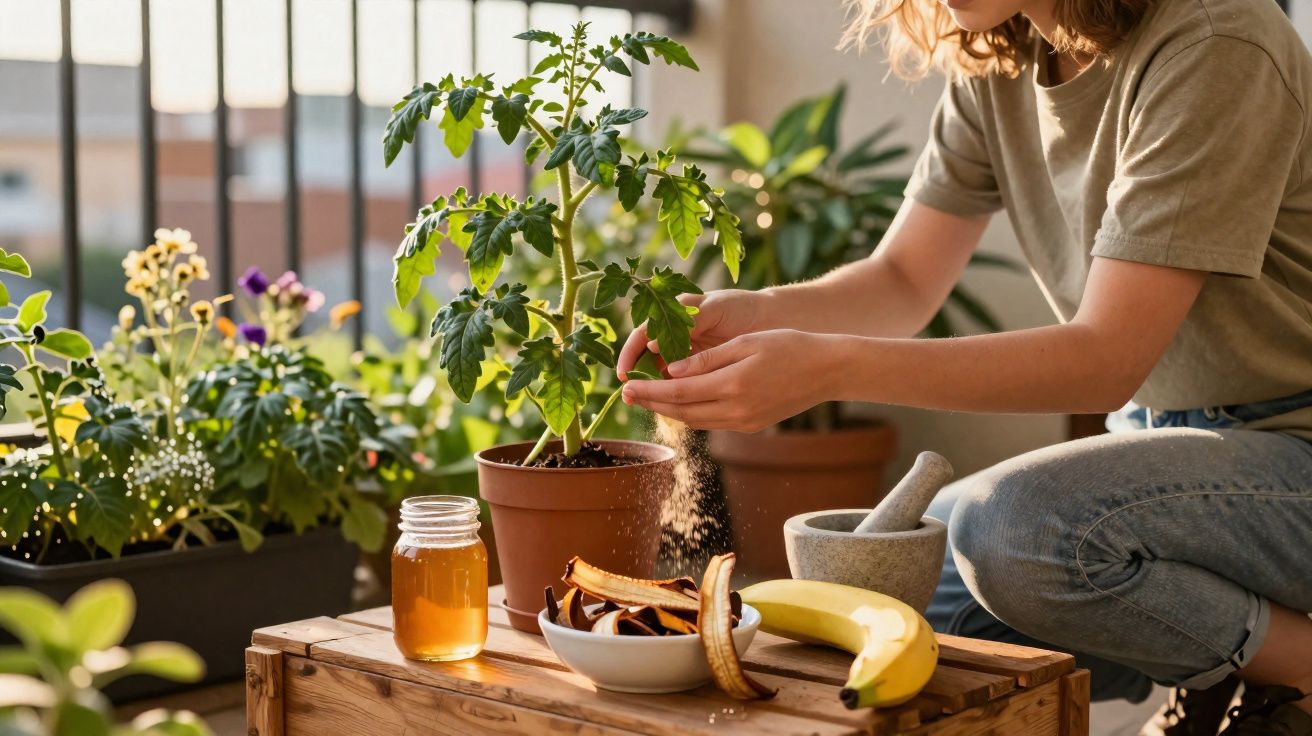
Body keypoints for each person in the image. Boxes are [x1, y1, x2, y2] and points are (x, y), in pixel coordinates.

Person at [616, 0, 1312, 733]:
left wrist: (828, 369)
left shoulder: (1216, 38)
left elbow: (1106, 356)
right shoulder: (1003, 55)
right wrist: (756, 310)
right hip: (1172, 446)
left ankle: (1297, 674)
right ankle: (1227, 673)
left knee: (1016, 531)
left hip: (1295, 451)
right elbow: (904, 280)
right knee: (912, 584)